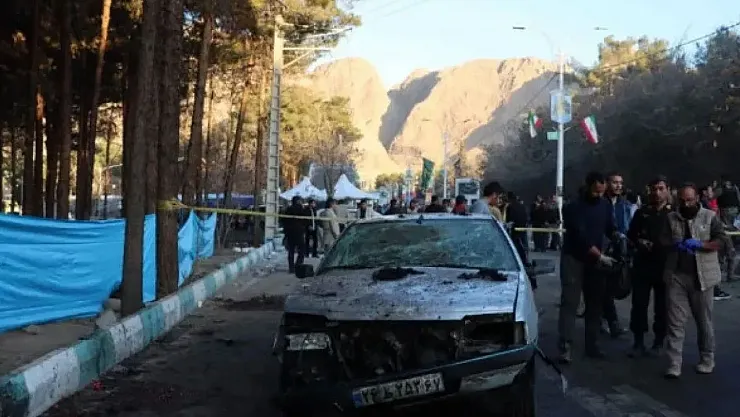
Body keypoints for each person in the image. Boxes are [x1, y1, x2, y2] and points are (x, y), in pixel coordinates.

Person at [660, 183, 724, 378]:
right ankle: (674, 363)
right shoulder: (671, 218)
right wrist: (674, 244)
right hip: (677, 275)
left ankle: (707, 358)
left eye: (690, 200)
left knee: (704, 321)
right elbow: (662, 240)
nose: (686, 204)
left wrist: (702, 244)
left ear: (697, 198)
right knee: (675, 322)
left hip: (702, 276)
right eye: (682, 200)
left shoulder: (709, 216)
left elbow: (722, 241)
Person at [557, 172, 617, 363]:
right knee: (570, 303)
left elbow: (610, 227)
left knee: (595, 304)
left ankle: (592, 344)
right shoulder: (573, 207)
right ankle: (565, 345)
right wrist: (600, 255)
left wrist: (618, 236)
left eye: (602, 191)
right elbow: (579, 236)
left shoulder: (605, 205)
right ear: (589, 186)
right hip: (574, 258)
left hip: (595, 261)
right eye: (596, 191)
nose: (599, 195)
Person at [626, 176, 671, 358]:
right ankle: (638, 341)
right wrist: (639, 242)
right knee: (639, 304)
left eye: (661, 188)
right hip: (643, 265)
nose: (657, 193)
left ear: (667, 190)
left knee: (662, 306)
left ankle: (659, 341)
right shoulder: (642, 213)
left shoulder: (673, 214)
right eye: (654, 189)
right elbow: (631, 235)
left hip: (665, 266)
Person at [284, 196, 308, 273]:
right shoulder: (301, 209)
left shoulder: (288, 209)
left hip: (290, 233)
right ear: (298, 201)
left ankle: (291, 268)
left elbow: (284, 221)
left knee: (291, 251)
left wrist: (286, 232)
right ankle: (298, 264)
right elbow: (305, 219)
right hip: (299, 232)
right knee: (302, 250)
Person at [506, 192, 529, 265]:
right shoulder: (522, 206)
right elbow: (526, 216)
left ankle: (517, 261)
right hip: (523, 228)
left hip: (515, 229)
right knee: (524, 245)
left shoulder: (510, 207)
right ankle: (525, 260)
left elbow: (509, 219)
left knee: (515, 245)